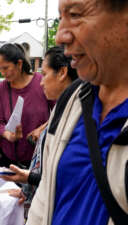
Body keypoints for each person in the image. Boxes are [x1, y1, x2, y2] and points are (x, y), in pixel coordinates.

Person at [27, 1, 128, 225]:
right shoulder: (72, 100)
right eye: (60, 17)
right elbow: (45, 199)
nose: (60, 36)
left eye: (74, 15)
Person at [0, 46, 77, 213]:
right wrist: (29, 182)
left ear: (62, 73)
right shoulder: (65, 109)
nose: (41, 81)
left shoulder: (77, 117)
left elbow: (69, 177)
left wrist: (42, 128)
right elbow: (53, 176)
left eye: (45, 74)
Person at [0, 43, 53, 168]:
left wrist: (43, 128)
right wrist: (8, 135)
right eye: (0, 69)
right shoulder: (1, 89)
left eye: (6, 68)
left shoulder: (41, 82)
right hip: (10, 159)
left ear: (19, 64)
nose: (3, 73)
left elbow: (60, 111)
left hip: (39, 159)